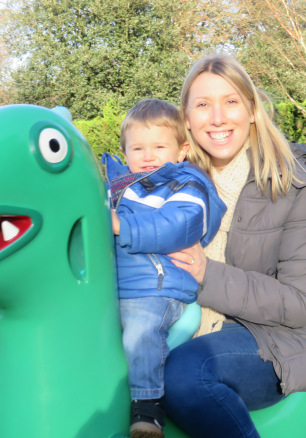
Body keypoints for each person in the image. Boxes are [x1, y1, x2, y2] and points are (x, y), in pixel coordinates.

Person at [162, 53, 306, 438]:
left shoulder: (296, 186)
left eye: (231, 101)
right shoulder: (170, 184)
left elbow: (302, 301)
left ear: (252, 110)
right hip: (174, 323)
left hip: (270, 342)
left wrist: (207, 274)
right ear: (186, 119)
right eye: (203, 105)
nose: (217, 117)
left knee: (187, 373)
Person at [101, 98, 226, 438]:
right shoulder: (116, 190)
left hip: (159, 289)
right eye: (137, 148)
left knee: (142, 330)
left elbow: (178, 225)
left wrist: (121, 227)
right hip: (114, 289)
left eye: (159, 146)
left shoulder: (187, 184)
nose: (148, 156)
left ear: (182, 150)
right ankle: (27, 368)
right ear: (125, 152)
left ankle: (148, 406)